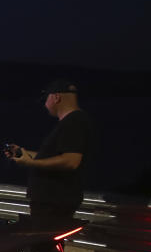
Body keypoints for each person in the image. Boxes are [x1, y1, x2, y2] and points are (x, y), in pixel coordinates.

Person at [5, 79, 97, 225]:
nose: (45, 104)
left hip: (54, 201)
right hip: (53, 201)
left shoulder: (75, 122)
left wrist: (30, 163)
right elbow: (54, 156)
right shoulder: (72, 122)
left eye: (46, 99)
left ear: (56, 97)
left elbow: (71, 161)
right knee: (46, 245)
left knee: (43, 245)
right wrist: (24, 153)